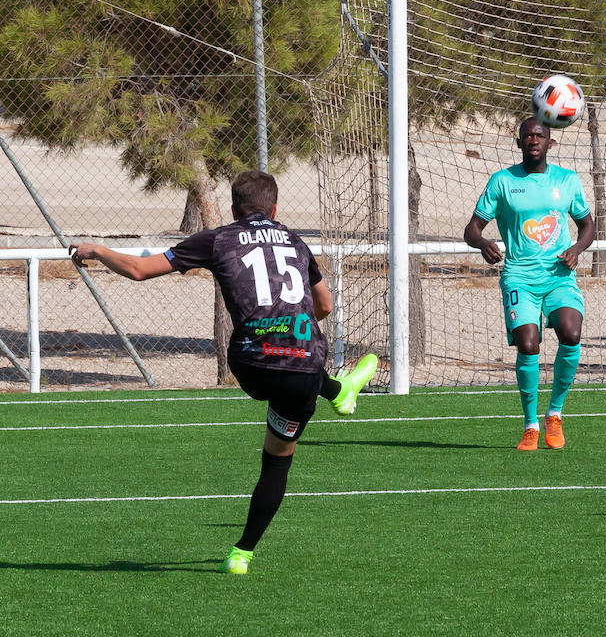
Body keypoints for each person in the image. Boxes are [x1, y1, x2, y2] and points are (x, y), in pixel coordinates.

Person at [69, 170, 378, 575]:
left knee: (279, 381)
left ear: (233, 209)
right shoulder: (296, 241)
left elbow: (141, 270)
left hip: (250, 363)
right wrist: (298, 328)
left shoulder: (218, 238)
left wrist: (98, 250)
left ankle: (338, 390)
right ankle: (242, 553)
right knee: (277, 460)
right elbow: (324, 305)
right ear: (275, 208)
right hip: (303, 368)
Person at [464, 116, 595, 450]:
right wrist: (483, 244)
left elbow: (587, 226)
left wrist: (577, 250)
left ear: (550, 141)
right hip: (519, 275)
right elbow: (472, 229)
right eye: (527, 136)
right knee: (528, 343)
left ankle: (554, 415)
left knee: (571, 333)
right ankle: (531, 425)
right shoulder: (503, 182)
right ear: (519, 142)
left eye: (540, 135)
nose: (534, 140)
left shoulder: (567, 181)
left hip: (558, 276)